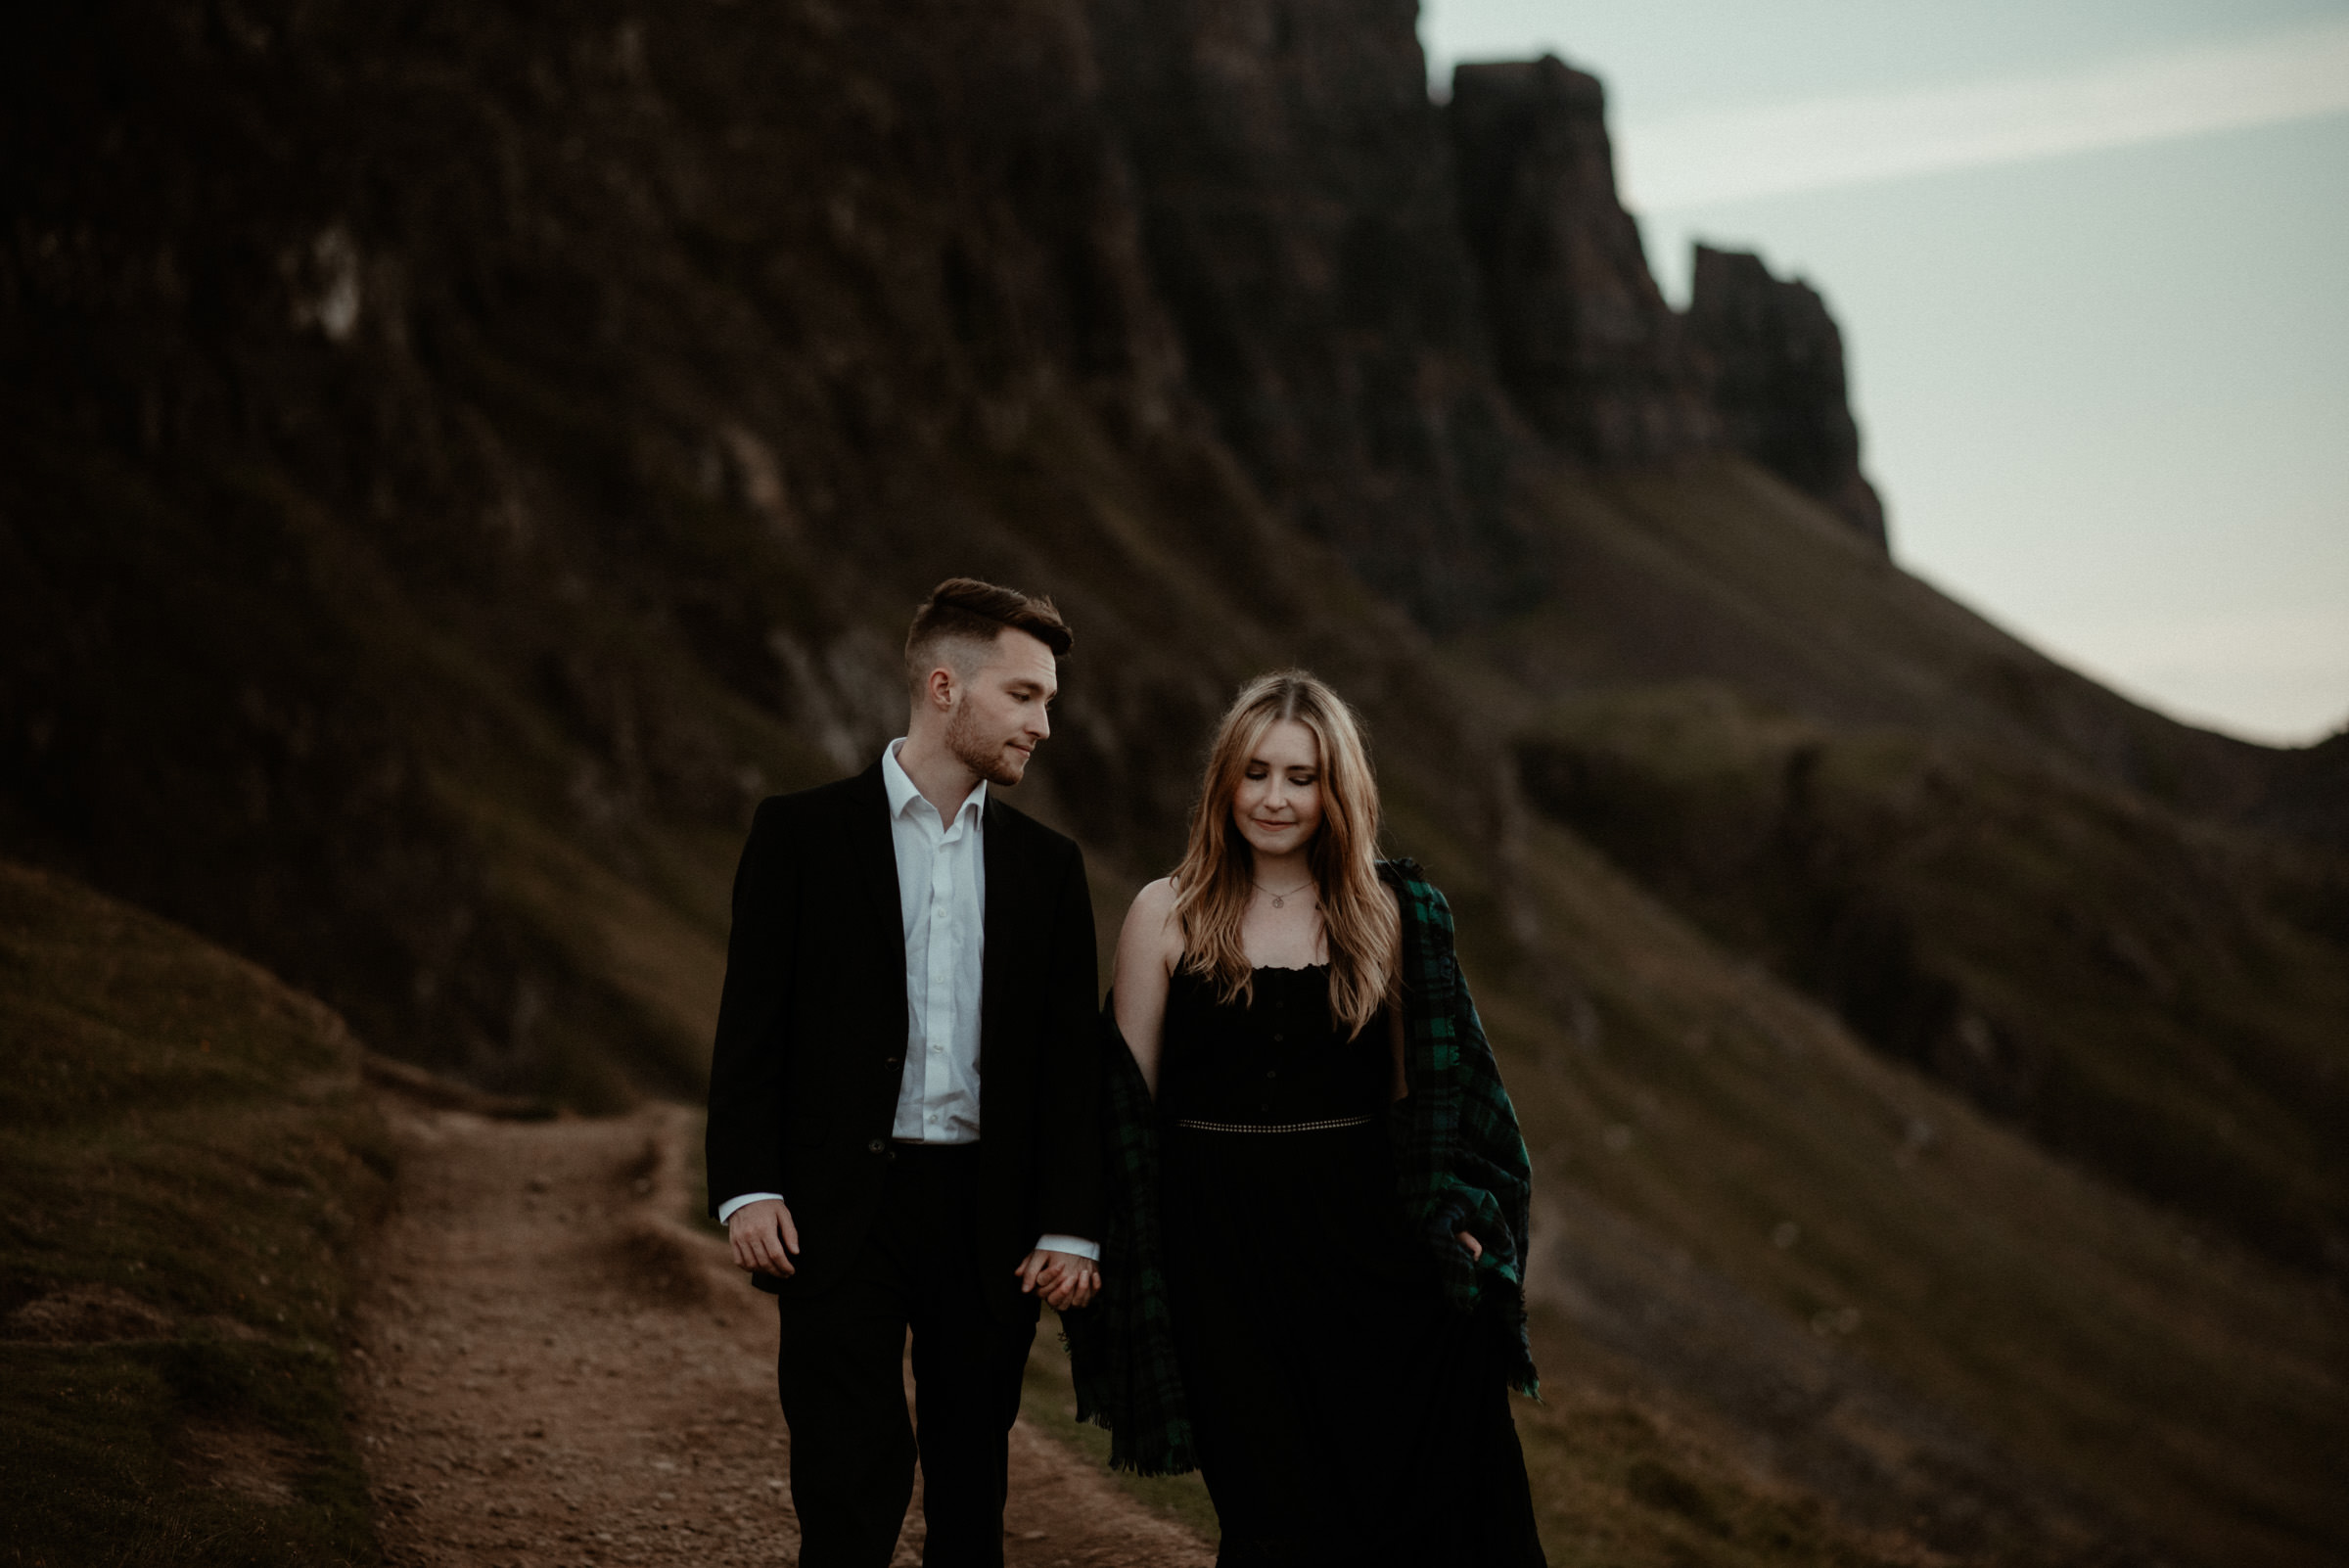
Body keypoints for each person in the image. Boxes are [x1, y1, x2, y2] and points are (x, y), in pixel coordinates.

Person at [1071, 669, 1546, 1567]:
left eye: (1302, 777)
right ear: (1224, 782)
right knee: (1274, 1518)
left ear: (1339, 790)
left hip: (1367, 1251)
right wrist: (1087, 1237)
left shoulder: (1393, 916)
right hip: (1217, 1254)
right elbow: (1122, 1107)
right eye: (1256, 773)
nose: (1275, 799)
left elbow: (1436, 1104)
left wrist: (1457, 1220)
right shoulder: (1164, 912)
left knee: (1412, 1512)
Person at [704, 577, 1106, 1568]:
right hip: (838, 1207)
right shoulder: (798, 836)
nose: (1044, 725)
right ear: (943, 687)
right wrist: (748, 1188)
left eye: (1047, 701)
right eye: (1024, 696)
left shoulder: (1048, 870)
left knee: (971, 1483)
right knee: (847, 1478)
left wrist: (1071, 1223)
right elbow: (752, 1028)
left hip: (989, 1217)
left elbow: (1068, 1066)